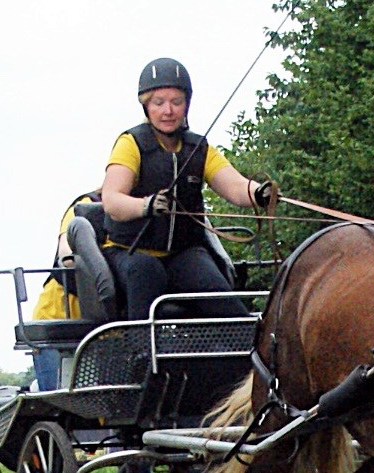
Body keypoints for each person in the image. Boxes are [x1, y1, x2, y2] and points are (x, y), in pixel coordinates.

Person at [100, 57, 275, 320]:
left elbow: (235, 186)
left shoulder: (199, 149)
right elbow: (112, 201)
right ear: (146, 106)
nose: (168, 111)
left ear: (186, 105)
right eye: (159, 103)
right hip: (130, 253)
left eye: (176, 102)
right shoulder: (130, 144)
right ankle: (141, 356)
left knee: (222, 300)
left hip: (183, 255)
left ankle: (239, 356)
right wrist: (145, 206)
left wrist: (259, 193)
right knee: (147, 272)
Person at [29, 190, 100, 391]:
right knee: (62, 402)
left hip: (103, 327)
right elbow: (66, 255)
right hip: (61, 318)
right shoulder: (87, 205)